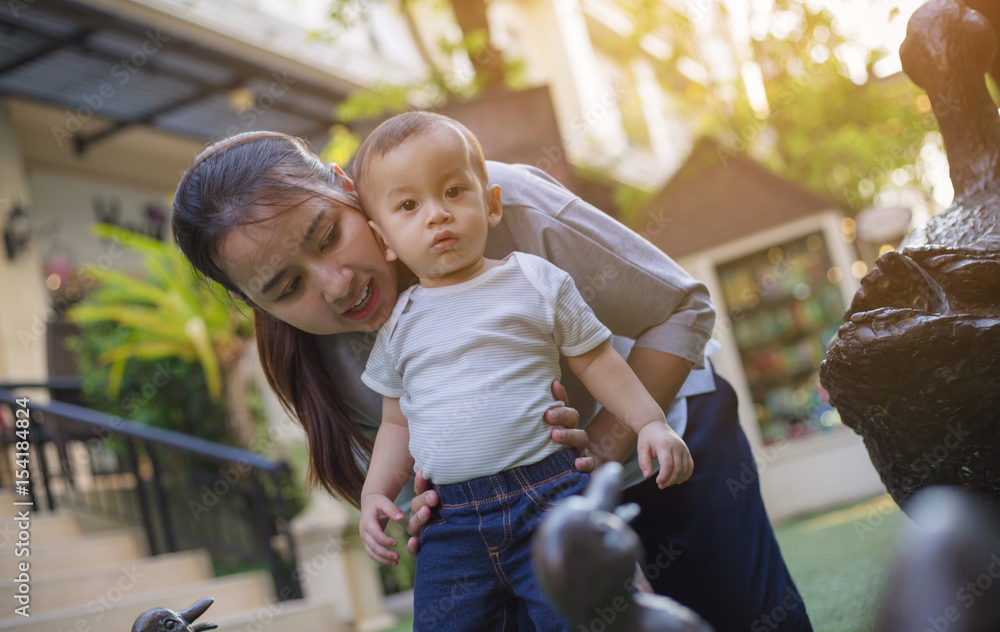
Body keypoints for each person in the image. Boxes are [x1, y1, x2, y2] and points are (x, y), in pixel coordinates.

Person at [172, 127, 813, 632]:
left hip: (667, 438)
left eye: (329, 234)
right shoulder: (314, 358)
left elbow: (682, 307)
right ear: (255, 304)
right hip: (517, 518)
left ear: (346, 188)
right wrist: (425, 500)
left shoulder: (503, 204)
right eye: (287, 287)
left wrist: (604, 444)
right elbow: (410, 446)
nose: (337, 284)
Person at [350, 112, 693, 631]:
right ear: (386, 241)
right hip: (452, 524)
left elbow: (599, 360)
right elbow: (397, 424)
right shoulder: (400, 322)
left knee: (595, 616)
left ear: (490, 205)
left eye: (453, 192)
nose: (437, 215)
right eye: (408, 205)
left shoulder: (533, 281)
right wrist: (375, 493)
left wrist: (649, 423)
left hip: (551, 497)